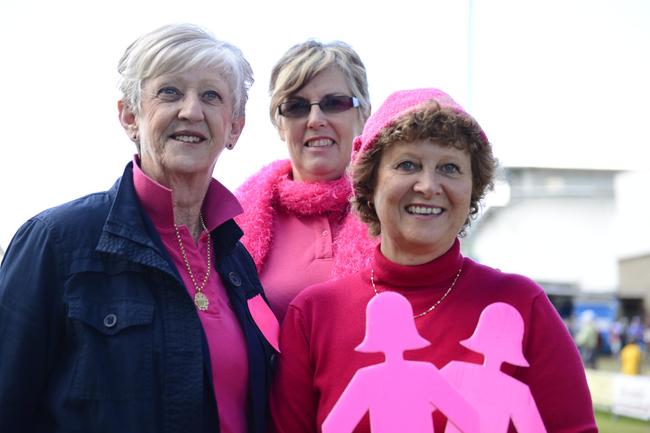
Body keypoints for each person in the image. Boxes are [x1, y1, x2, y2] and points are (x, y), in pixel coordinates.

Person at [0, 24, 276, 433]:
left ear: (234, 127)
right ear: (130, 116)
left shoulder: (239, 265)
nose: (191, 110)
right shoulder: (55, 242)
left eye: (211, 96)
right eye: (169, 92)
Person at [270, 88, 597, 432]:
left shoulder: (522, 305)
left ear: (473, 188)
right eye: (408, 164)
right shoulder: (314, 315)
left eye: (450, 168)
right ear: (369, 182)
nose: (429, 185)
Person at [235, 40, 376, 321]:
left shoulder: (391, 210)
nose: (315, 119)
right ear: (279, 124)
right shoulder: (232, 223)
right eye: (296, 107)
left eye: (334, 103)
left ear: (364, 113)